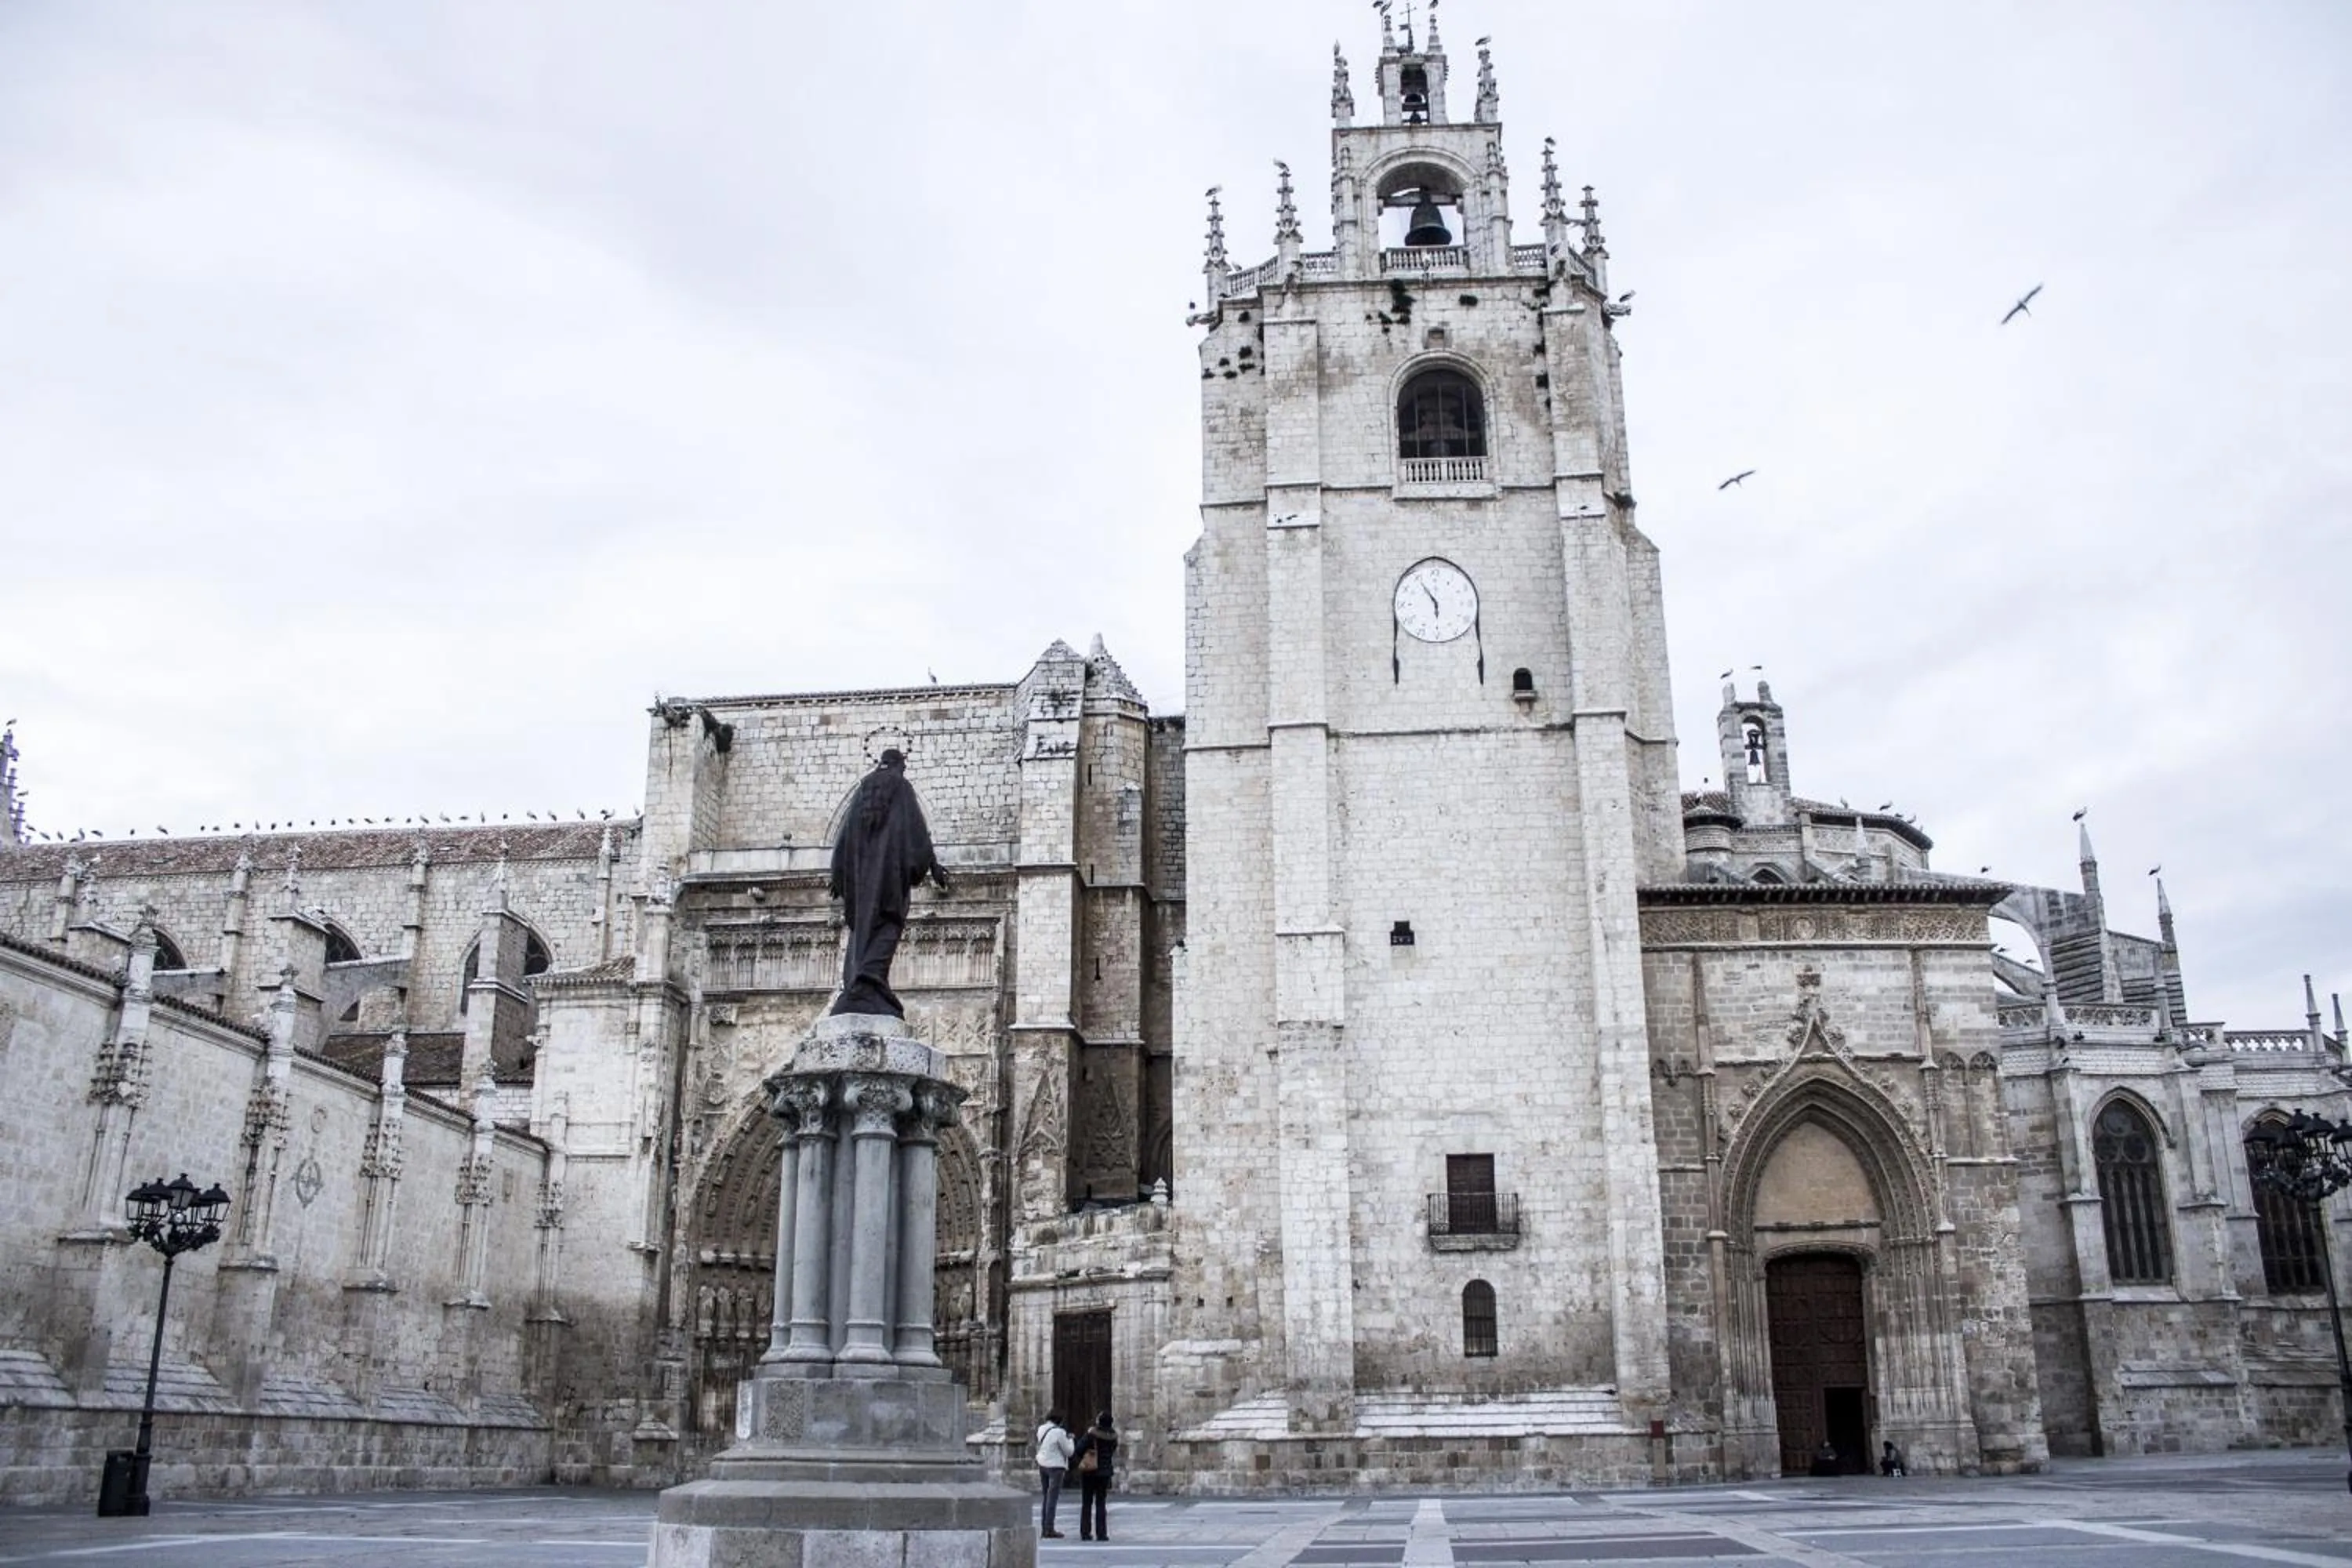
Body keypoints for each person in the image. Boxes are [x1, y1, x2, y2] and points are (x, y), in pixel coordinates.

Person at [827, 748, 948, 1018]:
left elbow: (843, 839)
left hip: (860, 885)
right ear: (899, 766)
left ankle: (859, 986)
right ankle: (867, 984)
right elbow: (918, 833)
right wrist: (933, 866)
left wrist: (840, 876)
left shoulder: (862, 791)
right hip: (889, 879)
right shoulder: (901, 788)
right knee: (888, 928)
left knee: (862, 934)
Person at [1070, 1410, 1119, 1541]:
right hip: (1105, 1472)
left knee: (1087, 1502)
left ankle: (1085, 1532)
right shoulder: (1113, 1436)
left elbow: (1079, 1449)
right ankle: (1102, 1533)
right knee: (1101, 1503)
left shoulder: (1092, 1434)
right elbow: (1113, 1450)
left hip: (1090, 1471)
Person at [1034, 1409, 1074, 1539]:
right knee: (1052, 1498)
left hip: (1042, 1464)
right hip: (1055, 1466)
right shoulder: (1059, 1432)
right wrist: (1071, 1440)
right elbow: (1069, 1452)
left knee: (1046, 1496)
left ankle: (1044, 1527)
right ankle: (1049, 1529)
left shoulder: (1042, 1429)